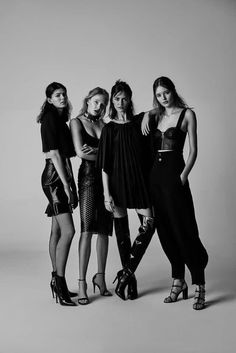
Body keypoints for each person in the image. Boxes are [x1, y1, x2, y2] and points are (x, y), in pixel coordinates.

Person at [142, 76, 208, 310]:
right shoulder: (155, 115)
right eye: (159, 95)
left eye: (166, 92)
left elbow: (193, 150)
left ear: (173, 91)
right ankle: (178, 279)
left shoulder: (187, 114)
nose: (163, 98)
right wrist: (148, 115)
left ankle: (199, 282)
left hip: (175, 175)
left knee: (184, 228)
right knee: (165, 230)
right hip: (155, 178)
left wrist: (183, 176)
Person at [97, 80, 155, 301]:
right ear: (112, 100)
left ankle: (125, 273)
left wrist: (148, 114)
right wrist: (106, 194)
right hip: (117, 185)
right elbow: (105, 165)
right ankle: (130, 283)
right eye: (117, 98)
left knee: (149, 224)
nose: (121, 102)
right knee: (123, 234)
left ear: (130, 99)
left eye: (124, 98)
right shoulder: (109, 129)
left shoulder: (140, 121)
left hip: (139, 182)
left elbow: (159, 109)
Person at [70, 87, 113, 305]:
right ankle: (81, 283)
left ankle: (101, 277)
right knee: (87, 229)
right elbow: (80, 152)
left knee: (104, 230)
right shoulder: (76, 122)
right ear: (88, 101)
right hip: (87, 179)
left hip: (107, 180)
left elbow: (113, 156)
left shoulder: (106, 126)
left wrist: (96, 154)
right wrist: (103, 155)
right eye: (96, 102)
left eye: (103, 103)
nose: (99, 106)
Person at [38, 82, 78, 306]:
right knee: (69, 231)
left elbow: (65, 154)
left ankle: (56, 278)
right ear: (49, 99)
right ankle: (60, 284)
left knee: (56, 230)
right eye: (57, 95)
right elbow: (54, 154)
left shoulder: (60, 119)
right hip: (54, 178)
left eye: (64, 94)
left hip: (59, 174)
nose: (62, 97)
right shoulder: (50, 119)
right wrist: (66, 185)